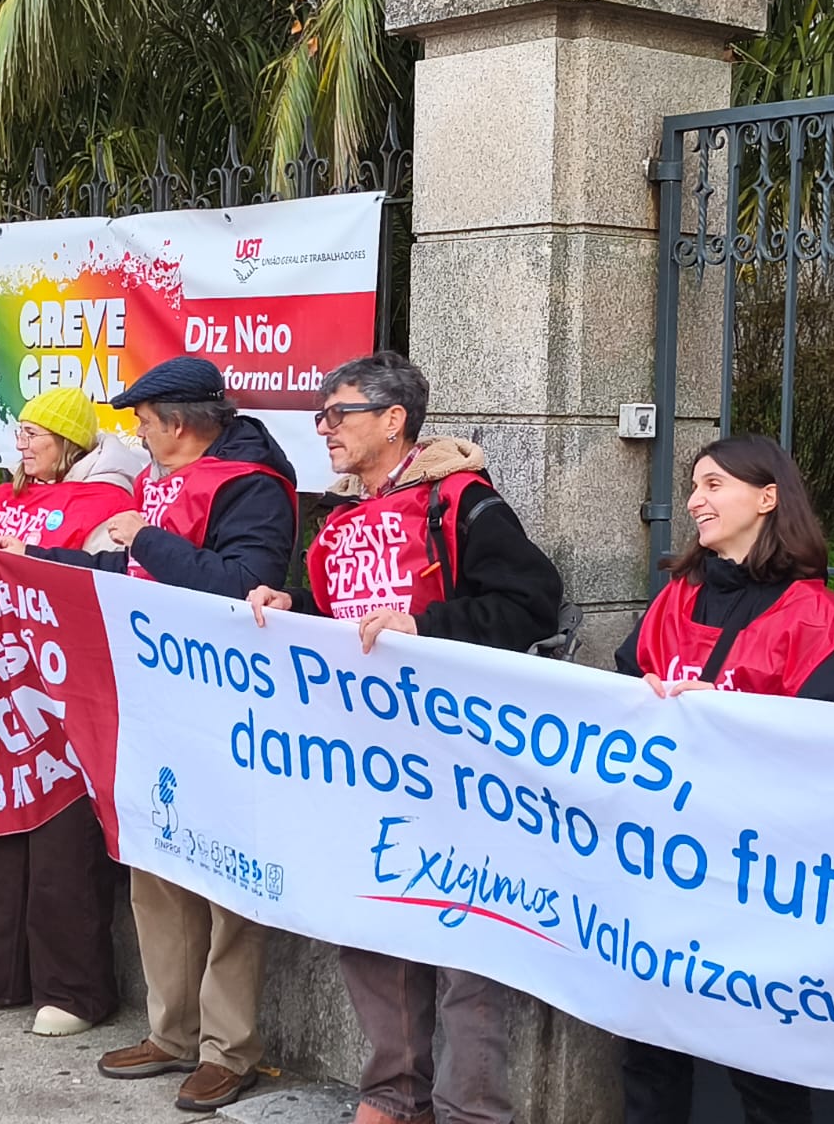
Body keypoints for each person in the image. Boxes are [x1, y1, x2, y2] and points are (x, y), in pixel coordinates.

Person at [246, 351, 562, 1124]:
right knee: (369, 921)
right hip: (359, 758)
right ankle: (394, 1093)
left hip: (458, 761)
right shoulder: (338, 518)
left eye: (339, 413)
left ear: (394, 421)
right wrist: (291, 606)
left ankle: (470, 1110)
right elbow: (341, 620)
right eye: (321, 415)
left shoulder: (462, 502)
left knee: (464, 944)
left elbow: (531, 603)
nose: (325, 428)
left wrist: (425, 626)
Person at [0, 357, 297, 1111]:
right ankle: (172, 1032)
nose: (137, 433)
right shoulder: (167, 483)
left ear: (181, 423)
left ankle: (228, 1049)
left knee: (226, 880)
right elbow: (118, 568)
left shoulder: (252, 486)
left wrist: (148, 538)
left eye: (145, 421)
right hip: (156, 702)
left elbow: (241, 585)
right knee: (156, 865)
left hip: (226, 709)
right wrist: (36, 559)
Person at [613, 434, 834, 1124]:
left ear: (767, 498)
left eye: (713, 485)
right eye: (693, 486)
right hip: (663, 862)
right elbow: (620, 699)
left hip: (759, 877)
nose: (694, 501)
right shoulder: (675, 599)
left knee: (762, 1065)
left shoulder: (819, 620)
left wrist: (729, 717)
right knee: (648, 1048)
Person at [0, 385, 145, 1038]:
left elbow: (101, 578)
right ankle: (4, 974)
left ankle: (74, 989)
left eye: (33, 433)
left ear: (67, 441)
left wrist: (30, 562)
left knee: (62, 851)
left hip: (65, 692)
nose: (20, 445)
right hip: (2, 689)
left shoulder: (108, 501)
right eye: (18, 432)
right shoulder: (7, 497)